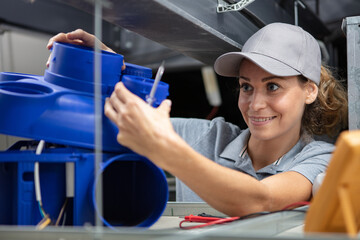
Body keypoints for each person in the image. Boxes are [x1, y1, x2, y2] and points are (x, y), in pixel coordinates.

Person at [47, 23, 347, 217]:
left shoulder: (322, 159)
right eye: (246, 86)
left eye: (273, 86)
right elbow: (120, 120)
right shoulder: (209, 137)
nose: (255, 104)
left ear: (309, 90)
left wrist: (165, 150)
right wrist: (105, 67)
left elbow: (260, 200)